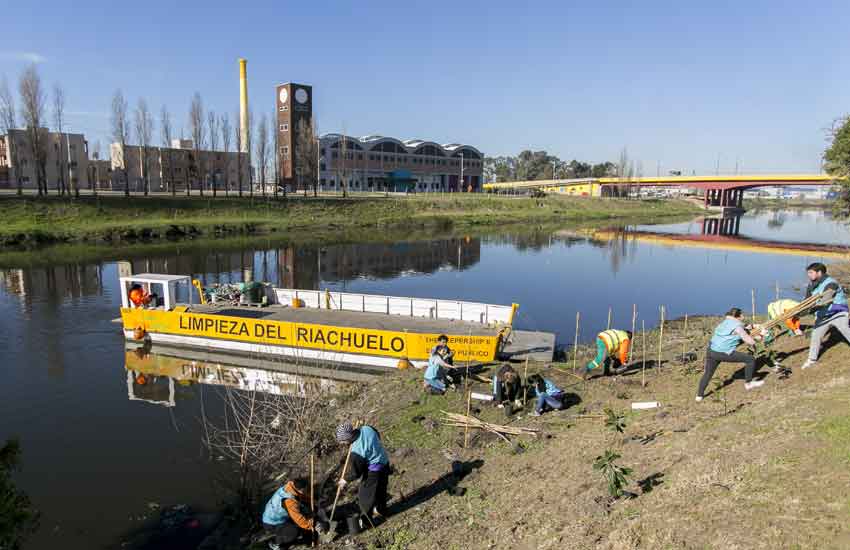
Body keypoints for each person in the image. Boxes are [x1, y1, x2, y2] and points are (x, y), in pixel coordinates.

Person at [696, 307, 763, 402]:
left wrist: (753, 326)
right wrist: (755, 343)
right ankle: (748, 383)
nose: (743, 316)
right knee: (750, 359)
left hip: (711, 350)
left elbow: (744, 326)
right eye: (742, 315)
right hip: (722, 352)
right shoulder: (737, 326)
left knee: (708, 373)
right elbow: (746, 338)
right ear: (738, 316)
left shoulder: (726, 322)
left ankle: (699, 396)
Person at [335, 422, 390, 525]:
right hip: (384, 460)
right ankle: (382, 510)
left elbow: (356, 472)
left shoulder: (357, 450)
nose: (341, 443)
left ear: (347, 439)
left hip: (375, 469)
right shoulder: (367, 428)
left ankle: (366, 521)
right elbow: (377, 435)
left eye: (342, 441)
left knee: (364, 496)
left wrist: (345, 480)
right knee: (381, 489)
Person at [801, 263, 850, 369]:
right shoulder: (811, 285)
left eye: (811, 273)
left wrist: (811, 309)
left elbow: (826, 300)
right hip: (823, 316)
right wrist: (800, 311)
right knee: (815, 336)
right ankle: (812, 360)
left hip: (838, 313)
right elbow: (806, 301)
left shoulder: (831, 283)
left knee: (845, 330)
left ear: (819, 272)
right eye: (808, 273)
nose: (809, 275)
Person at [262, 479, 326, 550]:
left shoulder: (292, 487)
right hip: (272, 523)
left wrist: (315, 501)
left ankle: (308, 537)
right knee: (293, 532)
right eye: (305, 490)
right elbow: (300, 520)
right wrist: (314, 524)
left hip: (283, 516)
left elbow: (302, 496)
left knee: (306, 511)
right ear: (300, 489)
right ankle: (276, 543)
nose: (307, 491)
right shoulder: (289, 501)